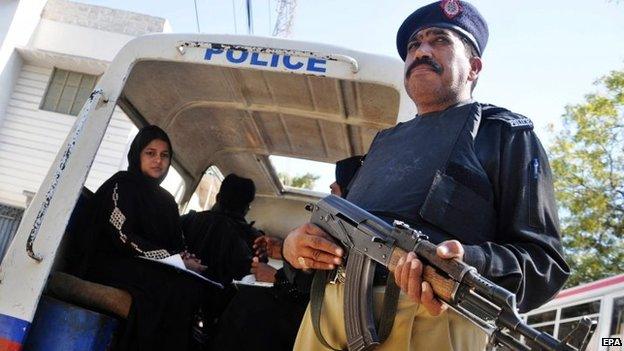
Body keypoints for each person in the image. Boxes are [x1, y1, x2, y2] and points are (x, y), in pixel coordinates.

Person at [281, 1, 570, 350]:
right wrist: (296, 248)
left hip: (431, 321)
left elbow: (544, 264)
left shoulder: (504, 135)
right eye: (414, 45)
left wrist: (469, 261)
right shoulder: (382, 144)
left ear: (474, 67)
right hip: (324, 320)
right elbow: (329, 238)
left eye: (440, 41)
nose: (422, 51)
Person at [208, 156, 364, 351]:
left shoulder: (357, 246)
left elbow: (322, 294)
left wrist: (274, 276)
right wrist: (283, 251)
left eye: (335, 189)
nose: (330, 191)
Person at [82, 125, 211, 351]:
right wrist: (173, 258)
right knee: (164, 289)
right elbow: (122, 235)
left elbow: (177, 243)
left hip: (148, 267)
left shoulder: (167, 201)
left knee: (191, 289)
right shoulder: (121, 184)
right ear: (137, 154)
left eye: (164, 155)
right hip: (110, 262)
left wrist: (186, 259)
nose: (158, 161)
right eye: (150, 153)